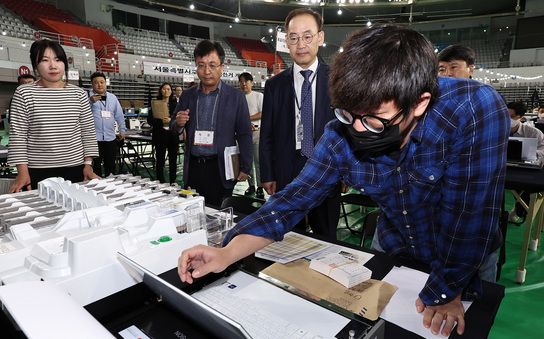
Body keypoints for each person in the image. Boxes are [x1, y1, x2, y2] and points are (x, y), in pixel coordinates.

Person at [178, 25, 510, 337]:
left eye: (376, 120)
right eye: (348, 115)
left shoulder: (473, 110)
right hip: (394, 245)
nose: (359, 131)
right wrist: (225, 252)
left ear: (419, 102)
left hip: (462, 258)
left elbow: (469, 214)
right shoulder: (342, 132)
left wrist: (448, 289)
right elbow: (292, 201)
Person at [259, 8, 340, 241]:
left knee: (327, 238)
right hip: (287, 170)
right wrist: (267, 173)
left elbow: (348, 130)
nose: (300, 44)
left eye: (307, 36)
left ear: (320, 38)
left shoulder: (337, 79)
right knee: (288, 238)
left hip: (327, 170)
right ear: (287, 41)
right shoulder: (275, 85)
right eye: (293, 38)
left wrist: (346, 174)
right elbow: (267, 134)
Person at [8, 39, 99, 192]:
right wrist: (22, 172)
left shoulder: (79, 94)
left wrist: (88, 164)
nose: (53, 65)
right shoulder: (24, 93)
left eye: (58, 60)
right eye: (45, 60)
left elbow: (88, 131)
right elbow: (18, 135)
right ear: (36, 65)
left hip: (75, 167)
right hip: (38, 169)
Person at [172, 40, 252, 207]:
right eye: (201, 65)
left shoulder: (235, 97)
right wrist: (179, 124)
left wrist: (246, 166)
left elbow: (244, 133)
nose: (206, 71)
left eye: (212, 65)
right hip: (193, 167)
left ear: (221, 68)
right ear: (196, 66)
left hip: (221, 167)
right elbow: (173, 127)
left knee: (220, 215)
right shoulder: (187, 95)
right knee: (193, 213)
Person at [507, 101, 544, 224]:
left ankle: (519, 211)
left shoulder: (534, 133)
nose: (508, 119)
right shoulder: (497, 130)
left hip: (525, 169)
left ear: (521, 117)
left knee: (525, 191)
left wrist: (530, 152)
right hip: (504, 167)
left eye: (512, 117)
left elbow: (543, 151)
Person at [88, 72, 126, 177]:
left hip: (110, 138)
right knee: (95, 168)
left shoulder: (113, 98)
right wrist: (89, 102)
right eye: (96, 83)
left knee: (111, 167)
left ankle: (111, 186)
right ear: (92, 85)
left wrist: (122, 130)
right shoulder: (86, 97)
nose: (99, 85)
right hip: (94, 139)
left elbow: (119, 115)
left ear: (106, 83)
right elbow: (80, 113)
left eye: (102, 82)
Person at [238, 72, 265, 199]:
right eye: (241, 82)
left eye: (246, 81)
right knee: (246, 162)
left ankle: (260, 187)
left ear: (251, 83)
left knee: (258, 161)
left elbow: (262, 113)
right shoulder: (238, 98)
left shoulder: (258, 96)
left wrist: (246, 119)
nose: (244, 84)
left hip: (257, 132)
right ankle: (251, 185)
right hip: (243, 135)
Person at [148, 82, 180, 183]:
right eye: (164, 89)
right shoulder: (155, 103)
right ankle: (160, 181)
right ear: (161, 90)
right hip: (160, 135)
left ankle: (173, 181)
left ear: (171, 91)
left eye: (168, 89)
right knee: (160, 161)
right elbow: (150, 120)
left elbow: (179, 119)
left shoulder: (176, 105)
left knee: (173, 161)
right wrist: (161, 121)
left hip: (172, 135)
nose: (166, 91)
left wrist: (171, 120)